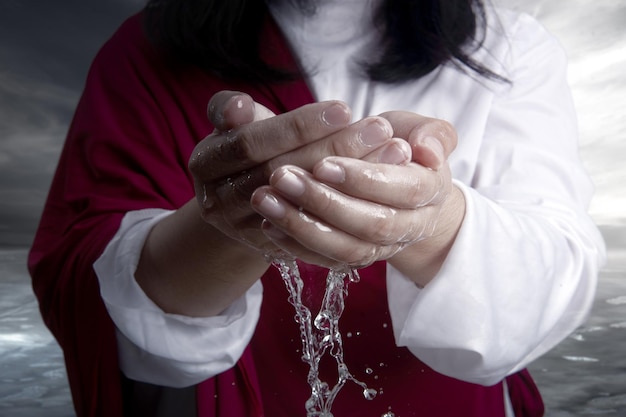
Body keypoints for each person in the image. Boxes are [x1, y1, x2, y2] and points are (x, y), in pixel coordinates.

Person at [28, 0, 606, 416]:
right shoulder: (144, 52)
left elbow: (554, 274)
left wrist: (434, 218)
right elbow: (85, 275)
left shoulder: (505, 46)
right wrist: (228, 223)